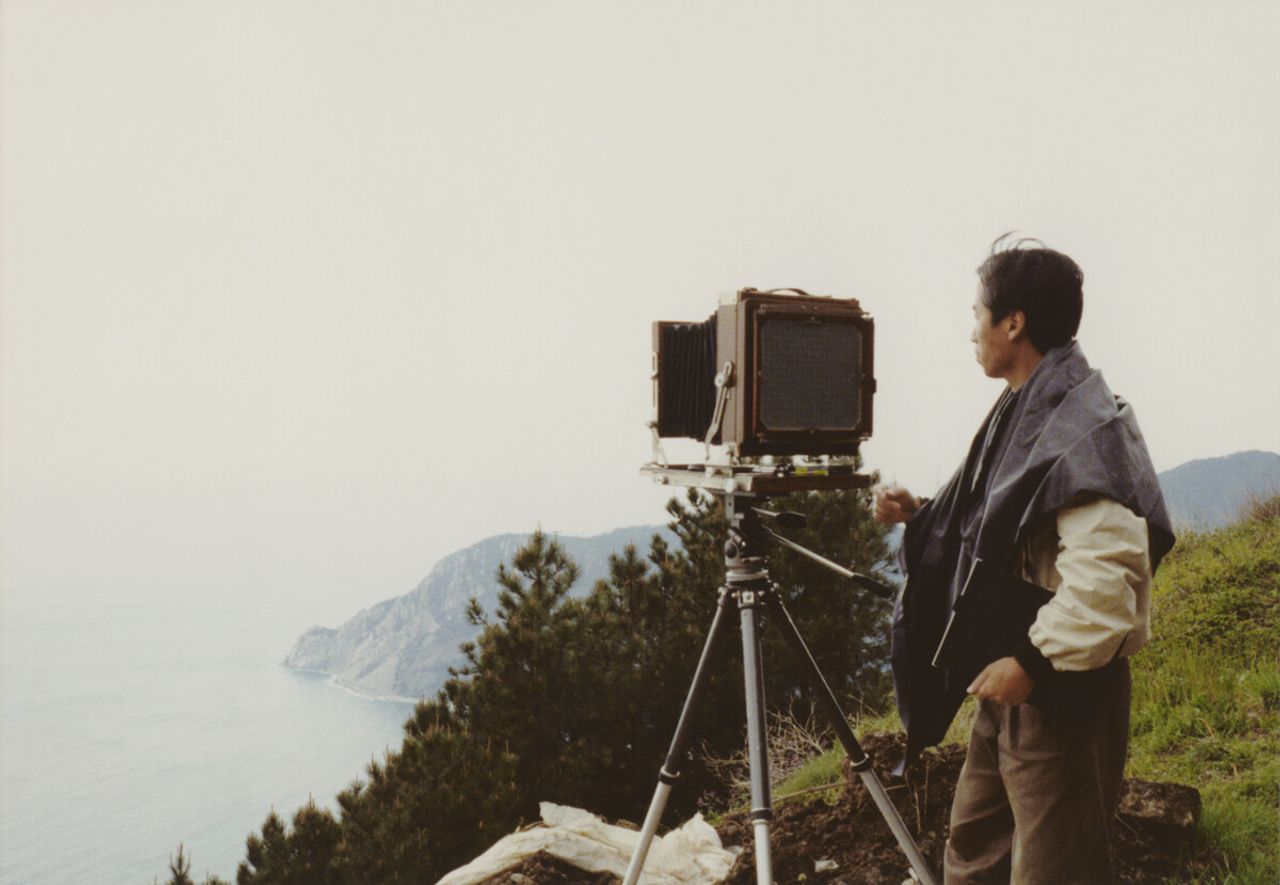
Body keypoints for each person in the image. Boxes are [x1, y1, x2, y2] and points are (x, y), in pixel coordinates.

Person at [874, 236, 1174, 884]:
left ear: (1013, 322)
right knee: (974, 852)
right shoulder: (1030, 406)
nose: (971, 331)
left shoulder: (1082, 425)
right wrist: (922, 512)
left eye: (977, 313)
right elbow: (1017, 525)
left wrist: (1033, 664)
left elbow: (1107, 579)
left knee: (1055, 869)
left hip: (1059, 687)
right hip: (1013, 670)